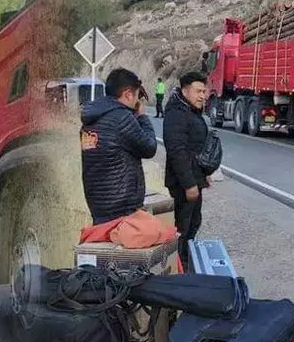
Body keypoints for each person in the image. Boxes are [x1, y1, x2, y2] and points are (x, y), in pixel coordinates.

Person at [80, 67, 158, 225]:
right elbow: (150, 147)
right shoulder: (121, 118)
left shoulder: (89, 121)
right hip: (122, 208)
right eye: (136, 96)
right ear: (128, 94)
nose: (137, 101)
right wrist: (142, 116)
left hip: (98, 206)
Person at [163, 71, 210, 272]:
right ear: (184, 91)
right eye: (198, 91)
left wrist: (204, 174)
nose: (203, 96)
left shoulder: (190, 111)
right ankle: (179, 269)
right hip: (183, 183)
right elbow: (177, 151)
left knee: (193, 223)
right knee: (182, 227)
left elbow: (195, 148)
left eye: (204, 92)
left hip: (194, 179)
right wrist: (189, 184)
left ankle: (186, 264)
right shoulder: (176, 114)